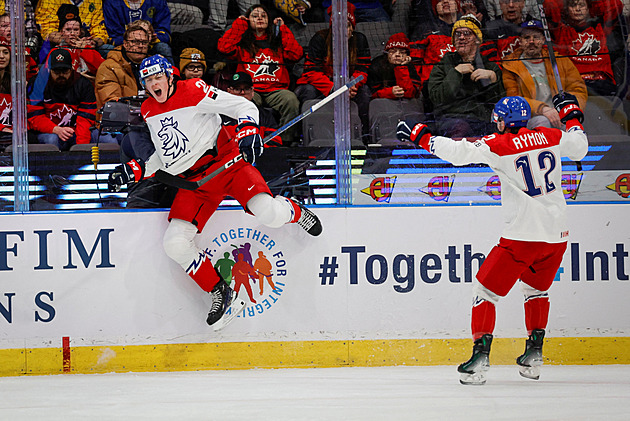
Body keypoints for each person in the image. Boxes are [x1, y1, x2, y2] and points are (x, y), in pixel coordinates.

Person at [107, 55, 323, 329]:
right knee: (174, 243)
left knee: (268, 213)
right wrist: (137, 170)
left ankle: (294, 211)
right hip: (197, 183)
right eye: (148, 80)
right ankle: (221, 291)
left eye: (157, 77)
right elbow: (169, 154)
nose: (154, 84)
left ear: (170, 76)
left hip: (228, 165)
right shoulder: (149, 109)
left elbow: (242, 105)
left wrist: (248, 129)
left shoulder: (194, 89)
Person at [397, 94, 588, 385]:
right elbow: (579, 147)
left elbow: (458, 153)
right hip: (557, 234)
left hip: (522, 236)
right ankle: (534, 357)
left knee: (484, 293)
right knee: (535, 291)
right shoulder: (549, 135)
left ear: (502, 121)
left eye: (497, 118)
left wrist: (421, 136)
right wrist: (571, 114)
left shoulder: (498, 145)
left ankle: (479, 360)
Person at [218, 4, 303, 144]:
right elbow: (224, 48)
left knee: (291, 100)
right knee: (243, 102)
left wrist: (283, 29)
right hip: (250, 89)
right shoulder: (242, 44)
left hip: (275, 90)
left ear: (269, 20)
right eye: (255, 16)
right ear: (248, 20)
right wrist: (239, 25)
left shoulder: (277, 42)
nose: (259, 19)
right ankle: (247, 139)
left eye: (263, 16)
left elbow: (296, 54)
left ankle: (284, 141)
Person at [295, 2, 371, 141]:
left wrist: (352, 85)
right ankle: (303, 136)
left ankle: (365, 135)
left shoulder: (360, 40)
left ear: (352, 28)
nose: (342, 30)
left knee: (364, 92)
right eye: (338, 26)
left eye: (347, 26)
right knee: (308, 91)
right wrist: (334, 88)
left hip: (349, 86)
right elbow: (311, 71)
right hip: (323, 85)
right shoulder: (319, 39)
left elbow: (363, 69)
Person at [427, 14, 505, 137]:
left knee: (501, 131)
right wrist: (456, 73)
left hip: (482, 120)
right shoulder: (443, 65)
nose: (461, 38)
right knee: (462, 128)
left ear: (477, 39)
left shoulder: (491, 68)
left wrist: (493, 80)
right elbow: (437, 98)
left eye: (467, 33)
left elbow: (498, 103)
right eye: (457, 34)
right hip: (451, 120)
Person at [502, 20, 587, 129]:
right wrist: (543, 109)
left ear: (543, 40)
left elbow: (578, 89)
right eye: (527, 38)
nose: (531, 41)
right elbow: (514, 100)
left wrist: (566, 109)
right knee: (543, 122)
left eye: (536, 37)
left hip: (561, 113)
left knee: (573, 123)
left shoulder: (560, 61)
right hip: (531, 118)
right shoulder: (510, 66)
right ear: (520, 41)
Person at [27, 48, 114, 150]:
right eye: (56, 71)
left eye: (65, 71)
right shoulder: (37, 83)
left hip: (77, 130)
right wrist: (56, 129)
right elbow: (35, 117)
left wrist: (81, 148)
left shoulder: (84, 84)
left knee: (108, 140)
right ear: (49, 69)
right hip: (50, 130)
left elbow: (85, 119)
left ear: (72, 69)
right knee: (52, 140)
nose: (61, 75)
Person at [553, 0, 623, 96]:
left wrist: (593, 5)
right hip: (573, 85)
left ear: (589, 9)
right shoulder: (561, 32)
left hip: (602, 85)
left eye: (582, 5)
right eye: (573, 5)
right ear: (566, 9)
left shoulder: (600, 29)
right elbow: (550, 5)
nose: (577, 9)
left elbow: (616, 5)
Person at [39, 5, 104, 83]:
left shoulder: (87, 48)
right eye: (68, 29)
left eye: (76, 29)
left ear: (80, 32)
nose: (72, 33)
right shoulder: (55, 51)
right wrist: (78, 76)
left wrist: (86, 50)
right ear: (61, 32)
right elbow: (46, 76)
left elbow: (102, 70)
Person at [103, 0, 174, 64]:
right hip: (124, 46)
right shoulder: (111, 3)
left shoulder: (158, 2)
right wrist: (132, 41)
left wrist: (152, 38)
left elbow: (165, 33)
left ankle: (173, 76)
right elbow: (113, 35)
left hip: (150, 45)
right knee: (106, 48)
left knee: (163, 47)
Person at [225, 71, 281, 146]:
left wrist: (255, 150)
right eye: (237, 89)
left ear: (252, 92)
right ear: (229, 91)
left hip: (259, 156)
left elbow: (275, 142)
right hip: (229, 156)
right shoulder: (219, 116)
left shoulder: (266, 115)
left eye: (247, 89)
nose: (242, 93)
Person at [35, 0, 109, 56]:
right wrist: (68, 41)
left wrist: (92, 43)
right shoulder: (50, 1)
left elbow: (100, 32)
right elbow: (48, 31)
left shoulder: (95, 1)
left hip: (86, 45)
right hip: (57, 45)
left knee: (108, 48)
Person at [368, 32, 421, 100]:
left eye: (402, 52)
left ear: (407, 56)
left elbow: (410, 93)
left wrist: (401, 68)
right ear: (387, 53)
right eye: (393, 51)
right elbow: (371, 95)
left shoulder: (410, 67)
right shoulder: (376, 65)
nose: (397, 54)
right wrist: (389, 93)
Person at [0, 36, 11, 146]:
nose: (1, 56)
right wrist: (2, 128)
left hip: (12, 132)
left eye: (5, 52)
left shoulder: (16, 82)